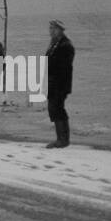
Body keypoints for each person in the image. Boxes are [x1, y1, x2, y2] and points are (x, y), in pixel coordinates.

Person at [45, 18, 74, 148]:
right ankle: (60, 138)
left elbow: (63, 67)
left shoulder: (65, 45)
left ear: (60, 30)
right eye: (50, 28)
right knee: (54, 109)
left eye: (54, 28)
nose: (51, 31)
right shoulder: (54, 44)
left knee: (58, 109)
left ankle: (63, 139)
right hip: (52, 83)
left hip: (60, 84)